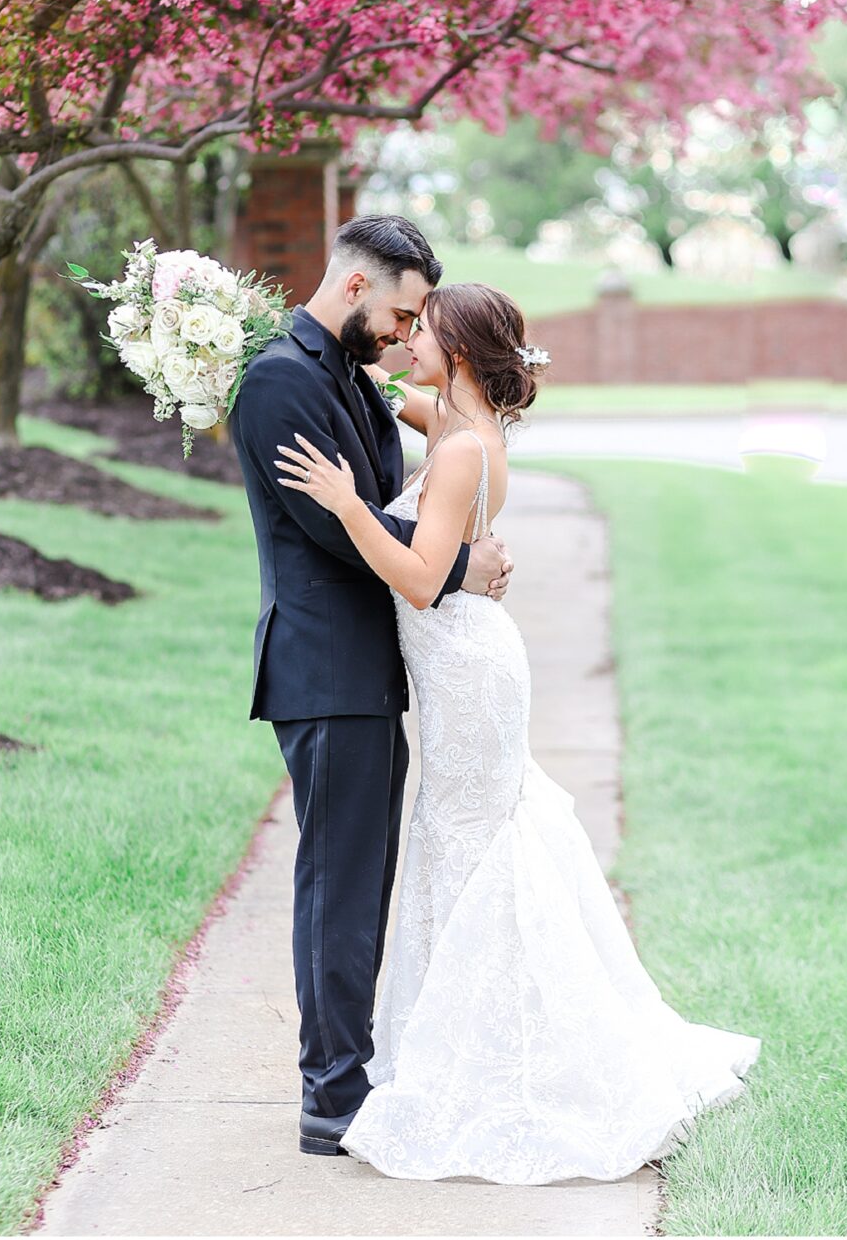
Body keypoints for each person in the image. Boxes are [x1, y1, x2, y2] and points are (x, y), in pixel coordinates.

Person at [276, 279, 762, 1184]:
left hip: (465, 668)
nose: (404, 340)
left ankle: (508, 1052)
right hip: (466, 660)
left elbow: (421, 581)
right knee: (465, 841)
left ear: (456, 350)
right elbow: (379, 390)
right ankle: (466, 1038)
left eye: (420, 331)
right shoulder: (453, 423)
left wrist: (347, 505)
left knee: (471, 845)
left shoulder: (460, 451)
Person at [229, 216, 515, 1158]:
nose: (404, 333)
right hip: (325, 669)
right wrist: (457, 564)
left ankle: (358, 1067)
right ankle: (331, 1094)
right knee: (340, 886)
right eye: (400, 312)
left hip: (369, 669)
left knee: (365, 878)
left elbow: (463, 434)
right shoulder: (279, 381)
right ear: (355, 287)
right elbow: (325, 535)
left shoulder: (350, 374)